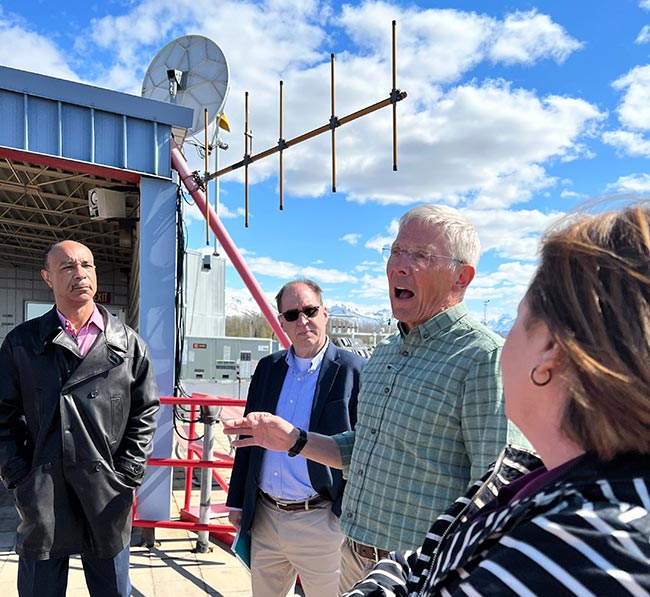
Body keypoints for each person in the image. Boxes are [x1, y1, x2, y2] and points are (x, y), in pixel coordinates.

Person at [341, 202, 650, 596]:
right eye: (397, 251)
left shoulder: (571, 551)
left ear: (552, 350)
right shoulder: (548, 485)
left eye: (520, 316)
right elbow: (434, 554)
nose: (399, 265)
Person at [225, 205, 525, 590]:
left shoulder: (483, 359)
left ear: (460, 277)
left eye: (419, 256)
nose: (398, 266)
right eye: (396, 252)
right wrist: (294, 440)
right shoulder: (385, 353)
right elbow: (364, 449)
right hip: (351, 557)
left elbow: (499, 496)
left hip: (416, 576)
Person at [0, 240, 160, 597]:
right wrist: (17, 475)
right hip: (43, 490)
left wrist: (128, 473)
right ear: (47, 277)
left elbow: (145, 410)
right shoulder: (22, 343)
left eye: (87, 265)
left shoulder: (128, 344)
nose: (80, 274)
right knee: (39, 589)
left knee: (113, 591)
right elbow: (2, 417)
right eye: (67, 267)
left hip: (107, 491)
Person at [226, 279, 366, 597]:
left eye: (310, 310)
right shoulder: (268, 369)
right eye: (292, 315)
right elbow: (249, 438)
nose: (302, 321)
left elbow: (364, 446)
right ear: (282, 323)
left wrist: (345, 516)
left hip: (322, 520)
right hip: (265, 517)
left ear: (325, 312)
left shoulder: (353, 371)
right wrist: (237, 502)